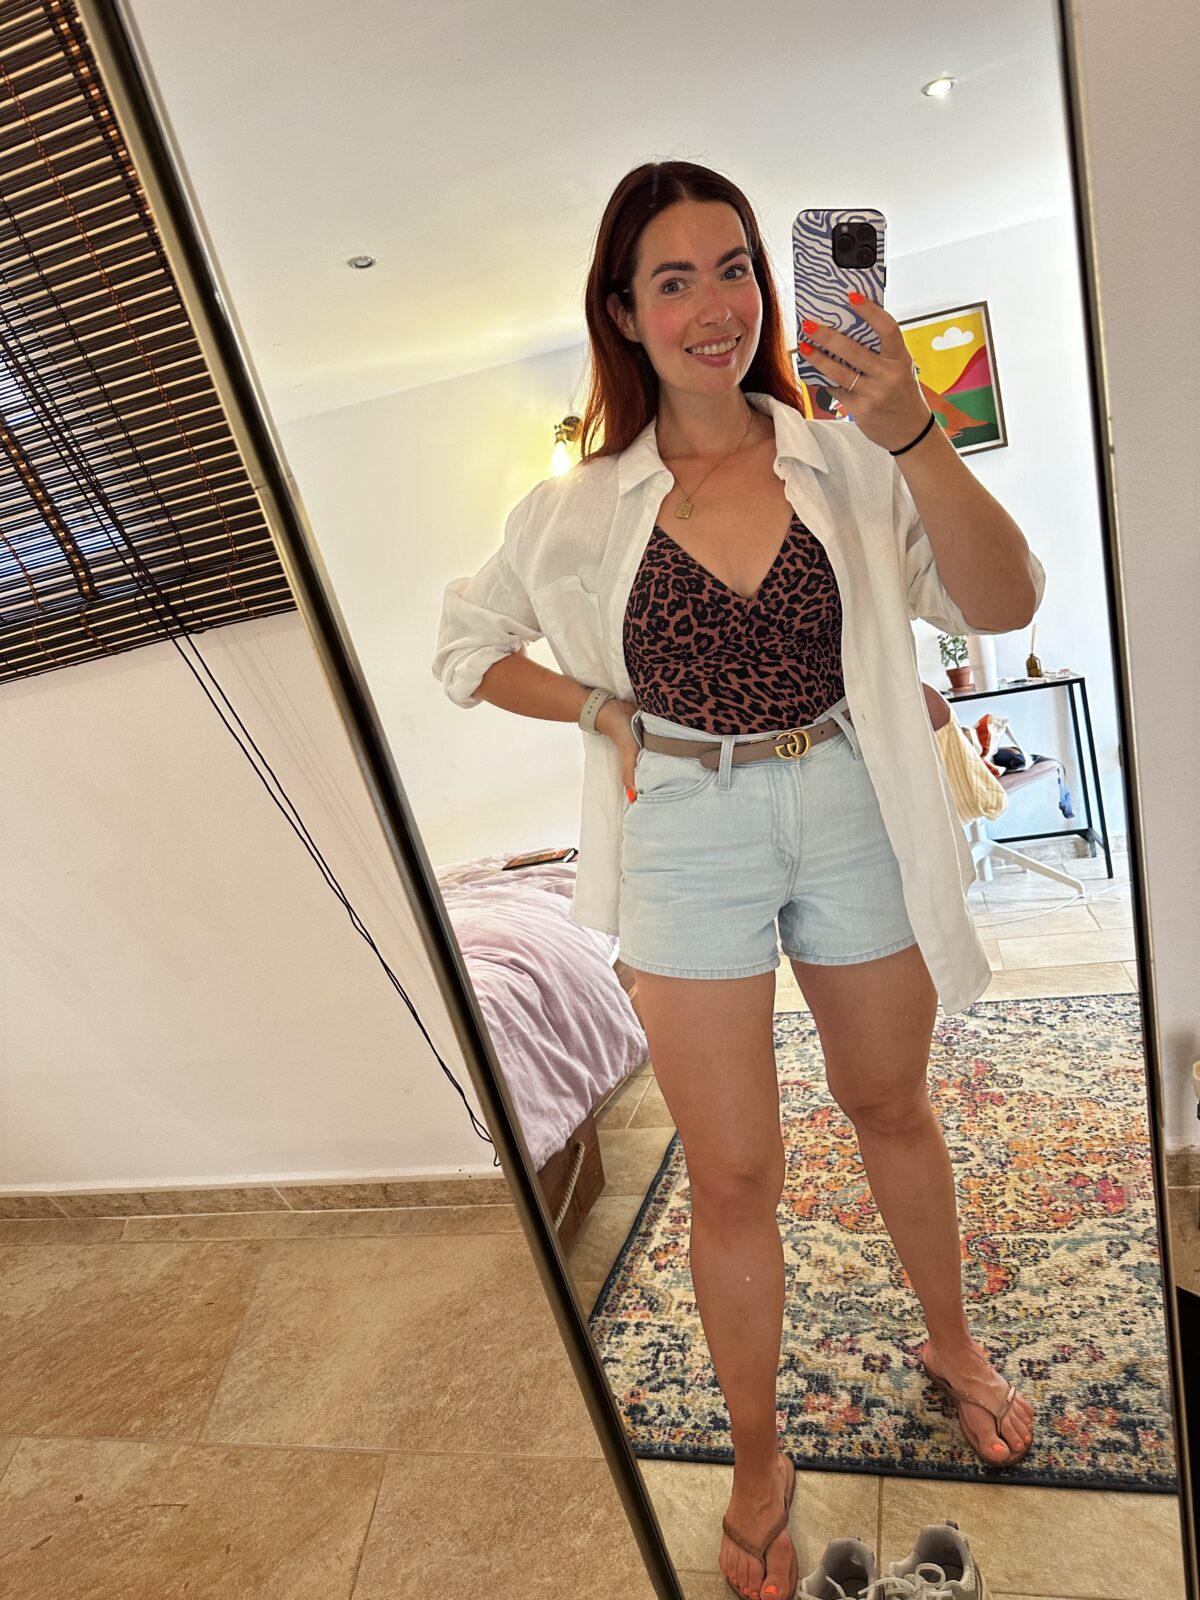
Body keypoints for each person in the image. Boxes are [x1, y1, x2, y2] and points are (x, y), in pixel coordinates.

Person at [433, 161, 1043, 1600]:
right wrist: (598, 708)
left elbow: (1006, 599)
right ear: (623, 314)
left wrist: (916, 433)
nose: (716, 306)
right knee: (733, 1172)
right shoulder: (578, 507)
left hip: (850, 799)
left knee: (891, 1103)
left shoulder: (849, 456)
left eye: (735, 269)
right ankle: (758, 1457)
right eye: (674, 280)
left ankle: (952, 1344)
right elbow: (466, 647)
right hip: (684, 828)